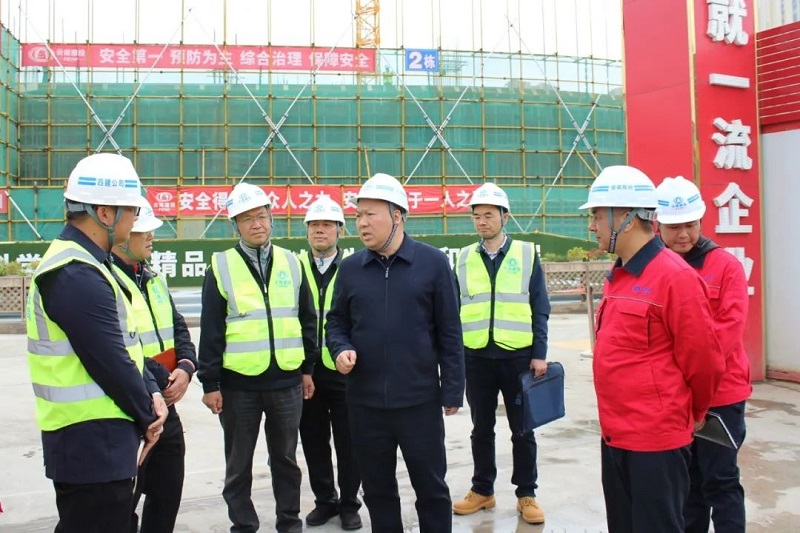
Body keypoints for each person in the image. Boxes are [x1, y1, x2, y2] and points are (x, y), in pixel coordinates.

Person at [25, 153, 168, 533]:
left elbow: (127, 344)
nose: (136, 219)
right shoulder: (74, 273)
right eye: (131, 209)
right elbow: (110, 361)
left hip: (101, 439)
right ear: (104, 213)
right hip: (89, 444)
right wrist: (148, 414)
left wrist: (151, 390)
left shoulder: (92, 264)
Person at [579, 165, 726, 532]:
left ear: (626, 218)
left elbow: (705, 363)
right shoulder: (620, 275)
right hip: (616, 435)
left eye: (597, 215)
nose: (592, 226)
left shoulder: (676, 278)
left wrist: (693, 413)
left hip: (656, 444)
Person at [325, 172, 465, 533]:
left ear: (397, 215)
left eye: (370, 214)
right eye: (358, 215)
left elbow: (450, 331)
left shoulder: (433, 263)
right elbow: (336, 323)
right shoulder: (351, 269)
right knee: (378, 491)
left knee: (431, 489)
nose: (362, 223)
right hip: (365, 403)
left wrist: (452, 389)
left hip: (419, 402)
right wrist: (341, 348)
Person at [197, 181, 319, 533]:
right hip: (238, 386)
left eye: (262, 216)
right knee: (238, 464)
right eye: (247, 218)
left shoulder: (292, 263)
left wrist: (307, 369)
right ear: (235, 225)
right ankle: (244, 525)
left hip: (287, 382)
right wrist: (210, 383)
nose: (256, 224)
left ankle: (289, 521)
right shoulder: (221, 266)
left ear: (271, 219)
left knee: (286, 460)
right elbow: (211, 329)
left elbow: (307, 319)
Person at [655, 176, 751, 533]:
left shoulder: (725, 266)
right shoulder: (655, 269)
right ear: (657, 224)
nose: (684, 234)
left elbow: (728, 329)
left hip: (720, 395)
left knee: (721, 480)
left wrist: (689, 371)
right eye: (674, 227)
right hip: (677, 396)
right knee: (688, 483)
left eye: (691, 225)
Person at [451, 183, 550, 525]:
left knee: (523, 429)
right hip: (476, 356)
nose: (482, 222)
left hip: (518, 357)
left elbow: (540, 307)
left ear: (505, 217)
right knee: (481, 428)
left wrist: (539, 353)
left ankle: (526, 493)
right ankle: (483, 489)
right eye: (477, 216)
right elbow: (453, 309)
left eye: (489, 215)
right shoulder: (464, 258)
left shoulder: (525, 254)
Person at [111, 199, 198, 533]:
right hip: (130, 408)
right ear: (121, 235)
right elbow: (116, 348)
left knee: (167, 492)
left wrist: (186, 368)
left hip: (166, 406)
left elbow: (179, 329)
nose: (150, 236)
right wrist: (160, 377)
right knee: (123, 502)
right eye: (142, 230)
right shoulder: (106, 282)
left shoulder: (154, 278)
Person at [297, 196, 362, 530]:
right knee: (313, 439)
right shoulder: (293, 267)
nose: (319, 230)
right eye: (314, 225)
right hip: (307, 371)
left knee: (350, 441)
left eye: (326, 225)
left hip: (345, 369)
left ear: (340, 230)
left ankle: (350, 503)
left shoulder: (355, 267)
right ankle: (325, 501)